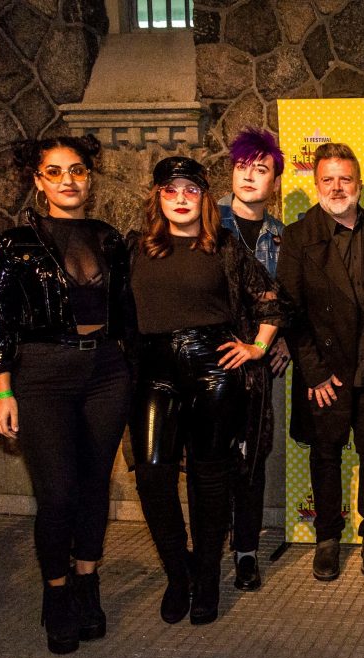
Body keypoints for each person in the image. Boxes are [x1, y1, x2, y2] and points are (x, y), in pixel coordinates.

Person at [0, 135, 133, 654]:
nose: (67, 180)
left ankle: (87, 582)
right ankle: (56, 593)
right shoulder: (14, 243)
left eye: (76, 170)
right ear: (38, 180)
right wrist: (1, 389)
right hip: (43, 374)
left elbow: (129, 312)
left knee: (94, 485)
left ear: (88, 179)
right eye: (54, 171)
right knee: (57, 494)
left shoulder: (109, 238)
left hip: (107, 372)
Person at [128, 157, 286, 626]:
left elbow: (271, 299)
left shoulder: (225, 247)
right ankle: (180, 573)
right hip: (154, 371)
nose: (181, 198)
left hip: (213, 369)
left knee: (209, 476)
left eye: (191, 190)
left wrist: (257, 347)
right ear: (158, 196)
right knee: (152, 476)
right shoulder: (134, 248)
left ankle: (208, 579)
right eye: (171, 189)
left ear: (203, 197)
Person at [278, 142, 364, 581]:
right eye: (328, 179)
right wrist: (313, 372)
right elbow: (289, 310)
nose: (337, 187)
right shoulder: (298, 237)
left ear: (359, 184)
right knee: (326, 455)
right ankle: (327, 538)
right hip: (324, 374)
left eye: (345, 179)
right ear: (316, 184)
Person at [218, 126, 289, 592]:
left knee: (252, 459)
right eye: (242, 167)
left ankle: (246, 551)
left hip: (258, 364)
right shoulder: (205, 223)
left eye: (260, 169)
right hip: (209, 358)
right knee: (209, 459)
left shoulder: (282, 237)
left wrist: (282, 339)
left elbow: (291, 298)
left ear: (274, 182)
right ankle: (210, 545)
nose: (249, 176)